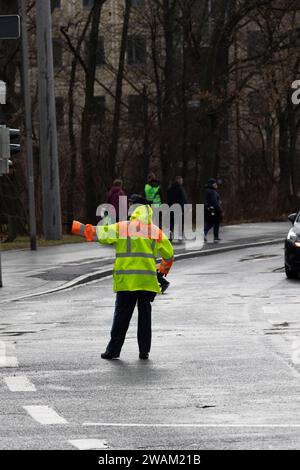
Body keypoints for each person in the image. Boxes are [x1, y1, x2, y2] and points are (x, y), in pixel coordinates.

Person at [71, 194, 174, 360]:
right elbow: (169, 256)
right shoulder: (155, 231)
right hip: (147, 282)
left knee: (121, 318)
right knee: (145, 318)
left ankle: (113, 351)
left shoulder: (123, 227)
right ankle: (144, 351)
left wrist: (75, 227)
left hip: (126, 282)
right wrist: (161, 272)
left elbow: (98, 233)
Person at [167, 176, 188, 241]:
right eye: (181, 180)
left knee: (171, 222)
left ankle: (169, 235)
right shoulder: (181, 189)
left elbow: (168, 198)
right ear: (178, 181)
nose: (182, 182)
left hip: (171, 207)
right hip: (179, 208)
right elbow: (184, 199)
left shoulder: (170, 189)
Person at [204, 178, 222, 243]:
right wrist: (219, 209)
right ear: (212, 184)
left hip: (208, 209)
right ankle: (216, 237)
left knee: (210, 223)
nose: (216, 184)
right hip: (214, 210)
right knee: (216, 223)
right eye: (215, 183)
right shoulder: (213, 192)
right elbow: (214, 202)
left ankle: (203, 233)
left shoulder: (207, 190)